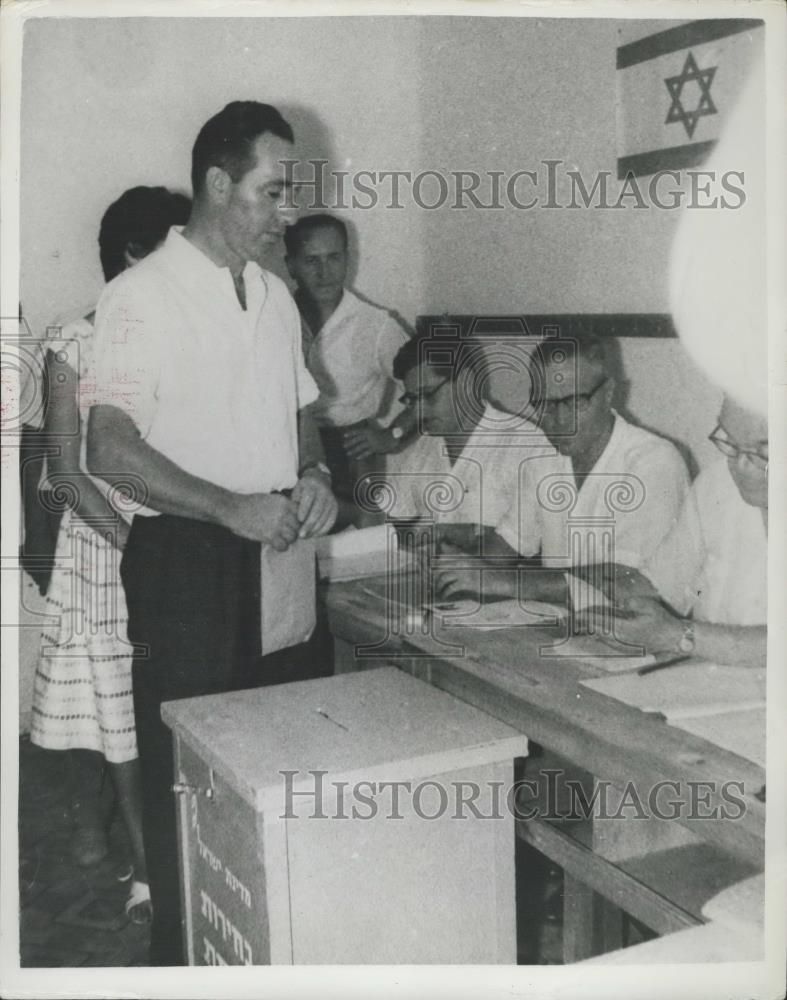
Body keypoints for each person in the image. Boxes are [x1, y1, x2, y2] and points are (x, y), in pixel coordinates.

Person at [86, 102, 338, 965]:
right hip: (186, 562)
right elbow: (107, 447)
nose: (287, 212)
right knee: (189, 785)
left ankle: (273, 957)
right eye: (273, 192)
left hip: (279, 549)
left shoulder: (274, 296)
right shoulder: (138, 296)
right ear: (219, 183)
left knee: (284, 762)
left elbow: (301, 417)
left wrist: (317, 476)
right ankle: (184, 962)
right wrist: (229, 507)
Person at [30, 186, 191, 923]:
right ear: (131, 258)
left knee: (166, 701)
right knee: (115, 707)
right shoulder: (75, 340)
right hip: (106, 546)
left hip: (171, 537)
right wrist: (136, 546)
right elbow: (66, 472)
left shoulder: (177, 333)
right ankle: (150, 869)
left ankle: (170, 844)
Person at [435, 335, 690, 603]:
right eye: (545, 405)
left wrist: (505, 581)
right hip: (565, 621)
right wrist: (455, 567)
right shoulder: (544, 457)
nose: (560, 420)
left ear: (608, 393)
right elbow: (505, 546)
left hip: (633, 625)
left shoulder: (653, 461)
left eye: (575, 402)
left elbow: (625, 580)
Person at [605, 395, 767, 667]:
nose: (740, 466)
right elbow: (664, 587)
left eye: (764, 454)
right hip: (705, 682)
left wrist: (679, 636)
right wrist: (604, 603)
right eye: (731, 443)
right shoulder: (718, 486)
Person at [284, 213, 414, 519]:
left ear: (347, 259)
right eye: (311, 261)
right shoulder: (274, 315)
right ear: (291, 266)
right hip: (289, 447)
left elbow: (435, 388)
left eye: (334, 258)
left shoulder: (376, 324)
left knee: (358, 538)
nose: (324, 272)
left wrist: (391, 435)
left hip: (352, 454)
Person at [382, 334, 553, 550]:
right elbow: (391, 517)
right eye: (412, 399)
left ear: (466, 382)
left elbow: (533, 547)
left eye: (429, 395)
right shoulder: (426, 445)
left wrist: (450, 533)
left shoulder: (529, 446)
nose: (418, 411)